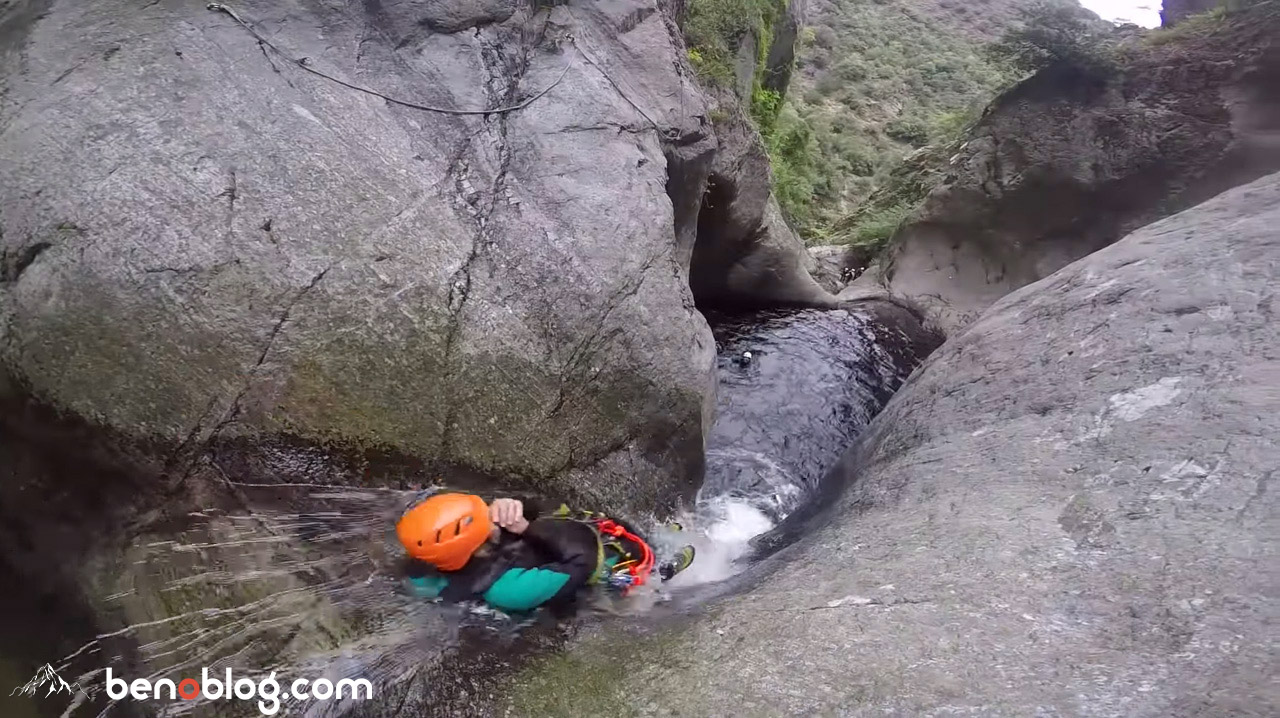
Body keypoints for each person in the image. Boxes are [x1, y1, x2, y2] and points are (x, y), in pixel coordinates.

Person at [395, 493, 694, 613]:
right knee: (619, 573)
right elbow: (584, 560)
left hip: (558, 545)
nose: (490, 513)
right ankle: (662, 569)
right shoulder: (509, 591)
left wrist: (511, 503)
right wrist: (526, 528)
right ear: (472, 545)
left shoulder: (434, 559)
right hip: (598, 564)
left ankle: (657, 538)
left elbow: (535, 506)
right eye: (484, 518)